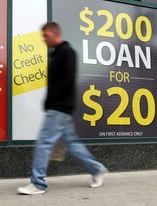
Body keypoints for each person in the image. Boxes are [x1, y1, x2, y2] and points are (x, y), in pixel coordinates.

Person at [18, 22, 108, 195]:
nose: (44, 39)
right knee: (72, 144)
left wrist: (52, 101)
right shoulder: (55, 55)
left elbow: (66, 81)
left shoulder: (67, 53)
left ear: (55, 33)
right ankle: (97, 169)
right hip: (59, 107)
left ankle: (38, 183)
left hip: (59, 107)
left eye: (46, 36)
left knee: (44, 143)